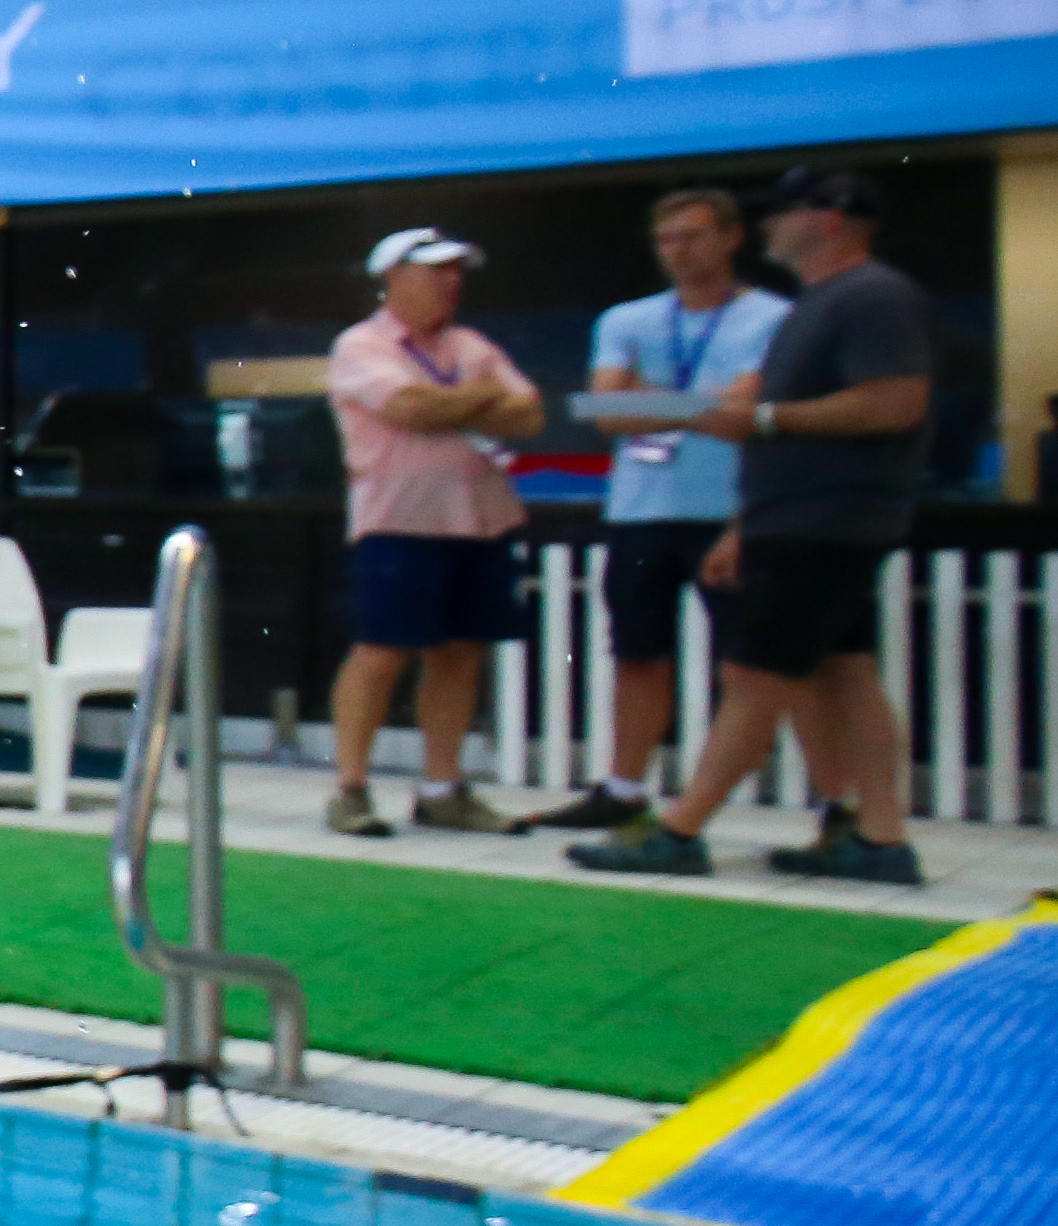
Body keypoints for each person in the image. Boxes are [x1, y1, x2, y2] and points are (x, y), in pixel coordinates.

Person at [571, 166, 937, 883]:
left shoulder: (870, 296)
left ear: (829, 218)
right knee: (845, 670)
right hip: (803, 515)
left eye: (781, 213)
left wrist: (767, 417)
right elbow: (619, 409)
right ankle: (882, 837)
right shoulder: (822, 302)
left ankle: (680, 830)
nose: (768, 225)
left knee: (754, 671)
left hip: (823, 518)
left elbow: (896, 402)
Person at [538, 185, 772, 832]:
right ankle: (623, 787)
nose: (678, 251)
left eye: (692, 236)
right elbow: (601, 412)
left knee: (747, 664)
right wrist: (703, 404)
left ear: (730, 238)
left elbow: (745, 417)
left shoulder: (772, 319)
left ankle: (712, 802)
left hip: (731, 512)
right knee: (636, 652)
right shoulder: (627, 320)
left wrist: (653, 397)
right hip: (641, 511)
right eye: (666, 239)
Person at [322, 226, 542, 836]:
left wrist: (452, 401)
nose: (451, 283)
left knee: (461, 652)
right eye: (434, 271)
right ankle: (350, 789)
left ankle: (442, 790)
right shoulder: (360, 346)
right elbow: (409, 409)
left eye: (456, 271)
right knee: (382, 652)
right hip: (398, 524)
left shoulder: (471, 343)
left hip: (481, 522)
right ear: (392, 278)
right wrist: (482, 397)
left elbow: (530, 414)